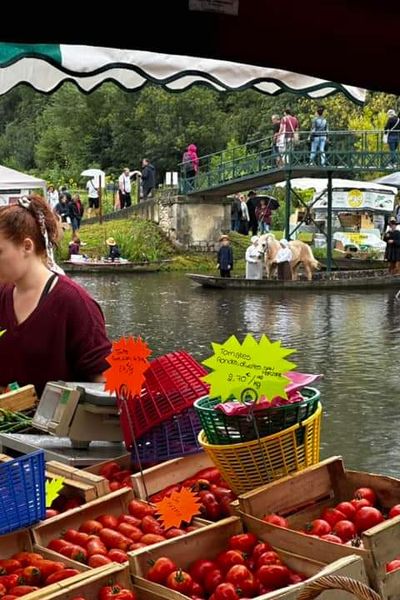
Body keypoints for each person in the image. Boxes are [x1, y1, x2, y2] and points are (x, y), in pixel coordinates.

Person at [0, 194, 112, 396]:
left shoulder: (74, 302)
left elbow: (104, 378)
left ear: (27, 246)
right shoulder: (2, 295)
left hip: (55, 426)